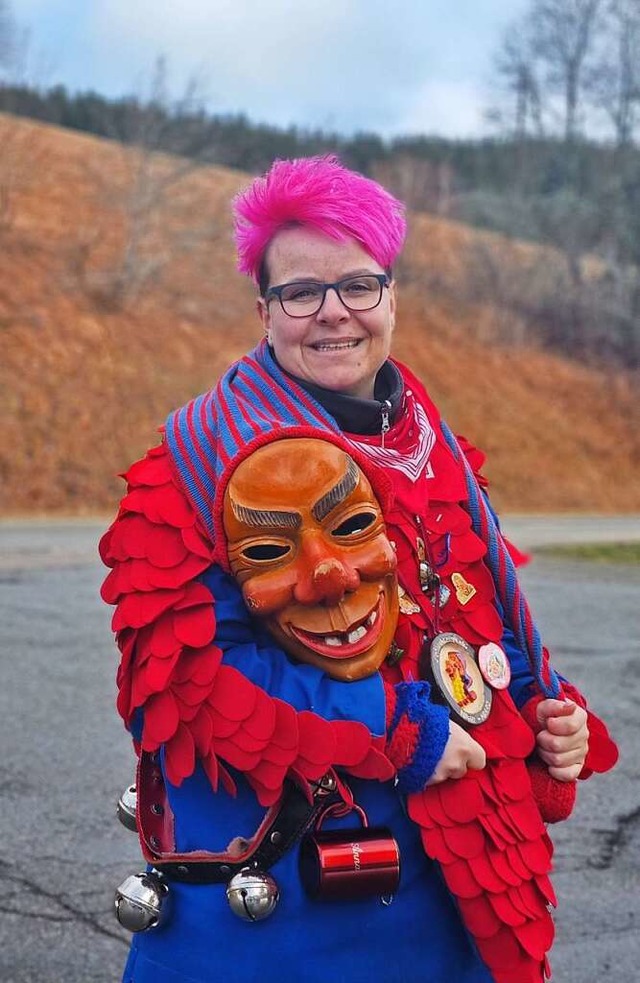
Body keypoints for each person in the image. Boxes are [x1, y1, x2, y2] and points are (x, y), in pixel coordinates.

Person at [100, 156, 618, 983]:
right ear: (263, 310)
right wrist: (393, 730)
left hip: (460, 900)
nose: (333, 313)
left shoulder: (430, 440)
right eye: (301, 292)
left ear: (391, 296)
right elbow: (184, 686)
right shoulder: (191, 463)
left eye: (359, 286)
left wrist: (540, 709)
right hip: (287, 923)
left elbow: (473, 624)